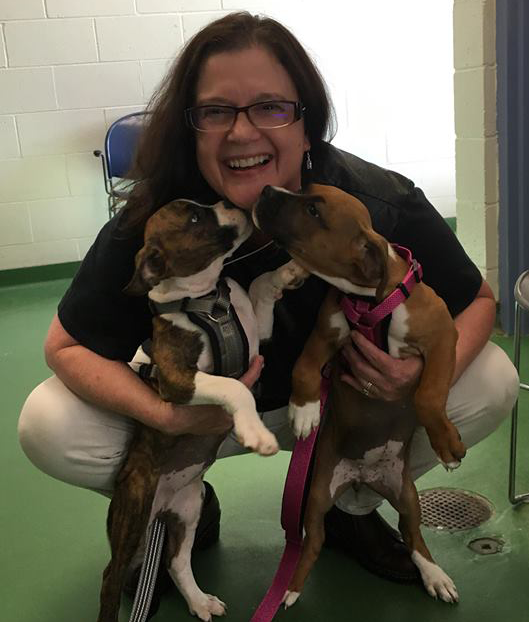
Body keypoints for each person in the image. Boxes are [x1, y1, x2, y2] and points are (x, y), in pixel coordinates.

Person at [18, 12, 518, 584]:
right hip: (206, 413)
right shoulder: (158, 223)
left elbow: (477, 300)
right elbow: (65, 347)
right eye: (215, 111)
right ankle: (184, 506)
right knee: (50, 423)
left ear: (307, 125)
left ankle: (348, 507)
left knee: (490, 379)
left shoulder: (372, 207)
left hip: (340, 412)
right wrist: (167, 416)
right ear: (191, 129)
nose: (242, 132)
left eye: (271, 107)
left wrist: (418, 385)